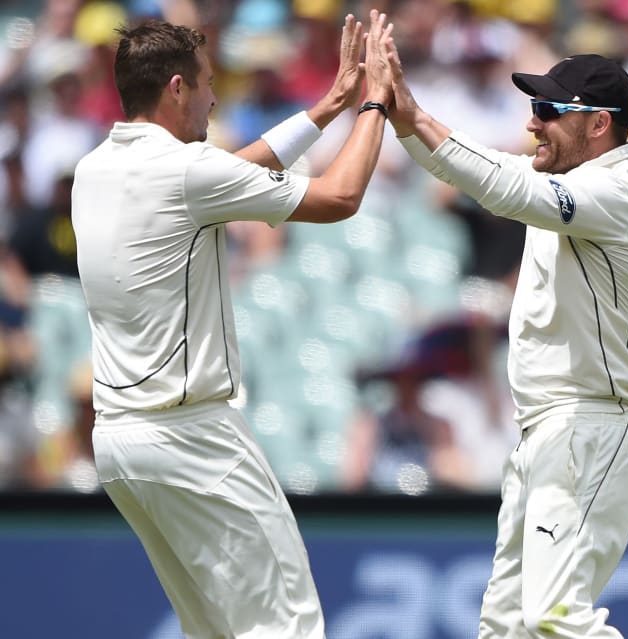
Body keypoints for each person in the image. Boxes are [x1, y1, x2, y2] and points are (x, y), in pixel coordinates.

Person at [71, 11, 393, 638]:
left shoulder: (95, 169)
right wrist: (374, 103)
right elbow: (341, 197)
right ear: (176, 87)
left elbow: (229, 176)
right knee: (286, 628)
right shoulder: (188, 173)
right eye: (208, 82)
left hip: (120, 443)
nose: (216, 97)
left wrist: (326, 108)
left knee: (217, 632)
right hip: (191, 436)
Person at [383, 30, 628, 638]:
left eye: (550, 111)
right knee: (505, 627)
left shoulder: (609, 193)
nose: (533, 125)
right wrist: (405, 121)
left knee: (554, 620)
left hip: (590, 426)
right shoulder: (564, 182)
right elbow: (476, 170)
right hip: (547, 431)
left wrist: (418, 116)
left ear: (599, 126)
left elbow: (501, 187)